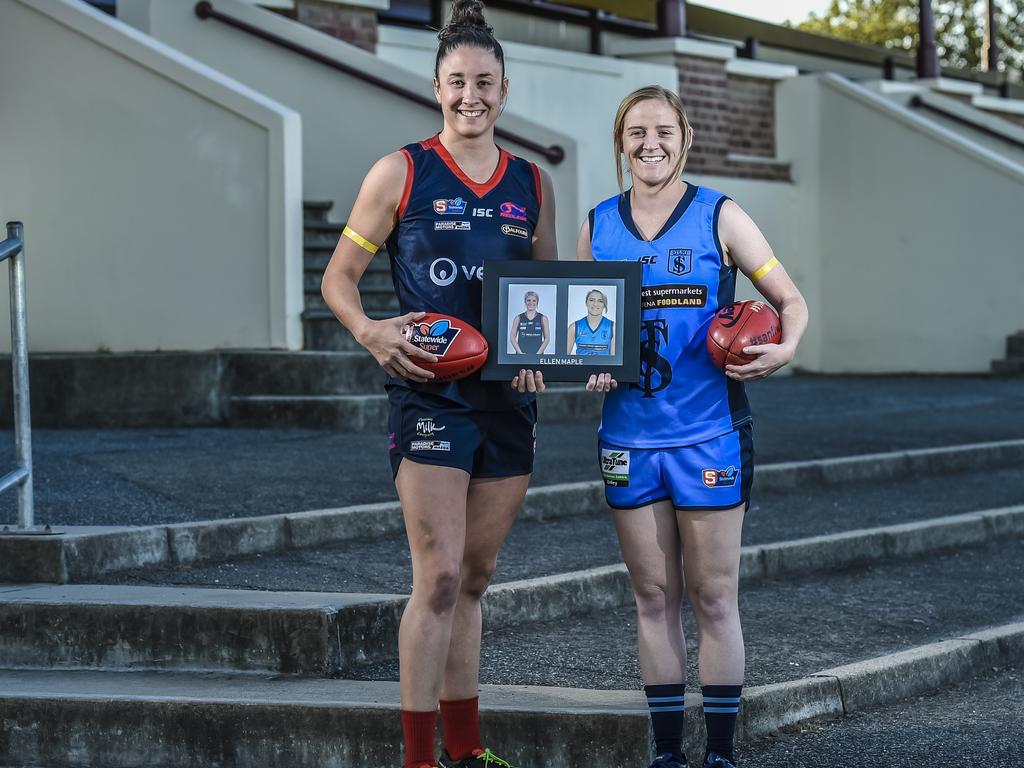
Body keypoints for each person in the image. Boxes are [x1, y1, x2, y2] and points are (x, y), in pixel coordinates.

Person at [320, 2, 556, 766]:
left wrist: (542, 355)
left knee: (478, 578)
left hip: (505, 401)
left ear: (505, 89)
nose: (470, 96)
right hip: (430, 394)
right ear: (436, 88)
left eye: (484, 83)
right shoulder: (401, 170)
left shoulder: (532, 182)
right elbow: (339, 278)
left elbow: (544, 300)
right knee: (441, 574)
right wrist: (372, 333)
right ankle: (417, 758)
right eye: (457, 82)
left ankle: (466, 751)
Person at [578, 85, 808, 768]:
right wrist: (585, 363)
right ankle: (668, 755)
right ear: (620, 143)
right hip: (628, 436)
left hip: (709, 433)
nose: (650, 145)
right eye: (636, 133)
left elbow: (789, 301)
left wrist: (786, 347)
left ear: (685, 139)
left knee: (712, 598)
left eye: (663, 132)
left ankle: (721, 756)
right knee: (652, 598)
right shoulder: (599, 224)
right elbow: (584, 333)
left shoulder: (720, 216)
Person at [567, 288, 615, 355]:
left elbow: (615, 361)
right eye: (592, 300)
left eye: (600, 301)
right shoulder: (574, 327)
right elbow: (563, 359)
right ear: (586, 303)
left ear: (604, 305)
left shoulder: (613, 327)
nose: (595, 304)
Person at [509, 290, 549, 355]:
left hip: (537, 356)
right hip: (521, 356)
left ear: (537, 302)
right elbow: (512, 337)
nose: (531, 303)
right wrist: (520, 353)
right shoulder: (518, 318)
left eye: (534, 300)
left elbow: (547, 339)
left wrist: (538, 354)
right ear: (525, 302)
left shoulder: (543, 318)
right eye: (528, 300)